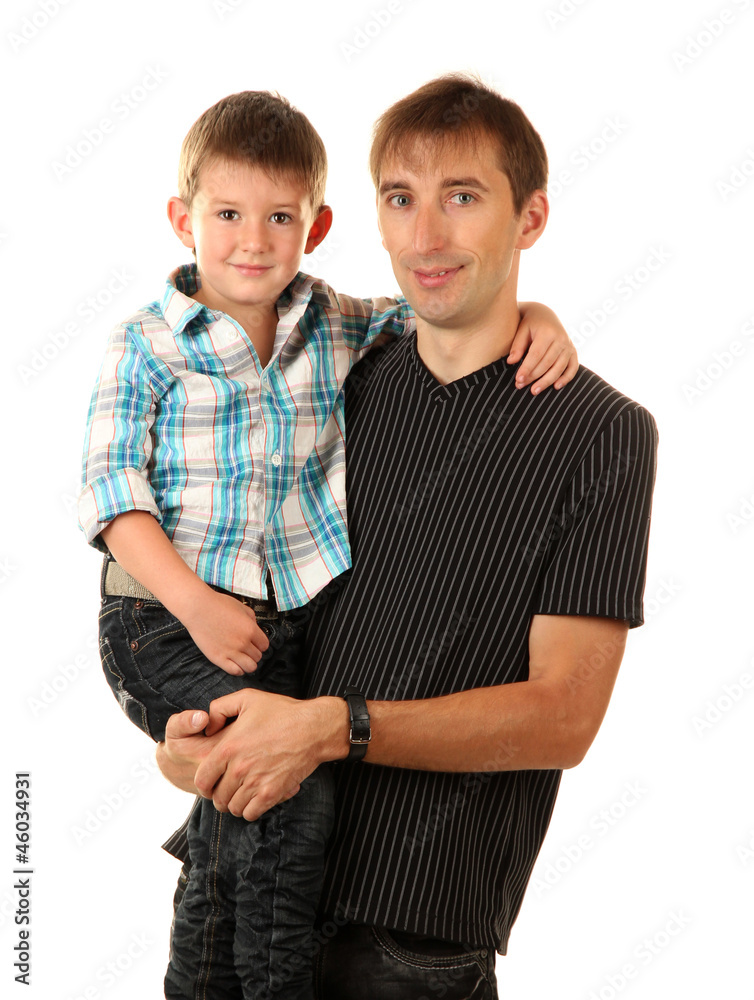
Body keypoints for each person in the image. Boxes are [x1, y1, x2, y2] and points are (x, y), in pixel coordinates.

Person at [157, 74, 658, 999]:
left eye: (462, 198)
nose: (426, 237)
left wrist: (328, 731)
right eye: (401, 199)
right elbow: (210, 559)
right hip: (240, 875)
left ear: (531, 217)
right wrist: (186, 741)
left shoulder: (602, 433)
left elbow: (563, 718)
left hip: (410, 930)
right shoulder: (338, 375)